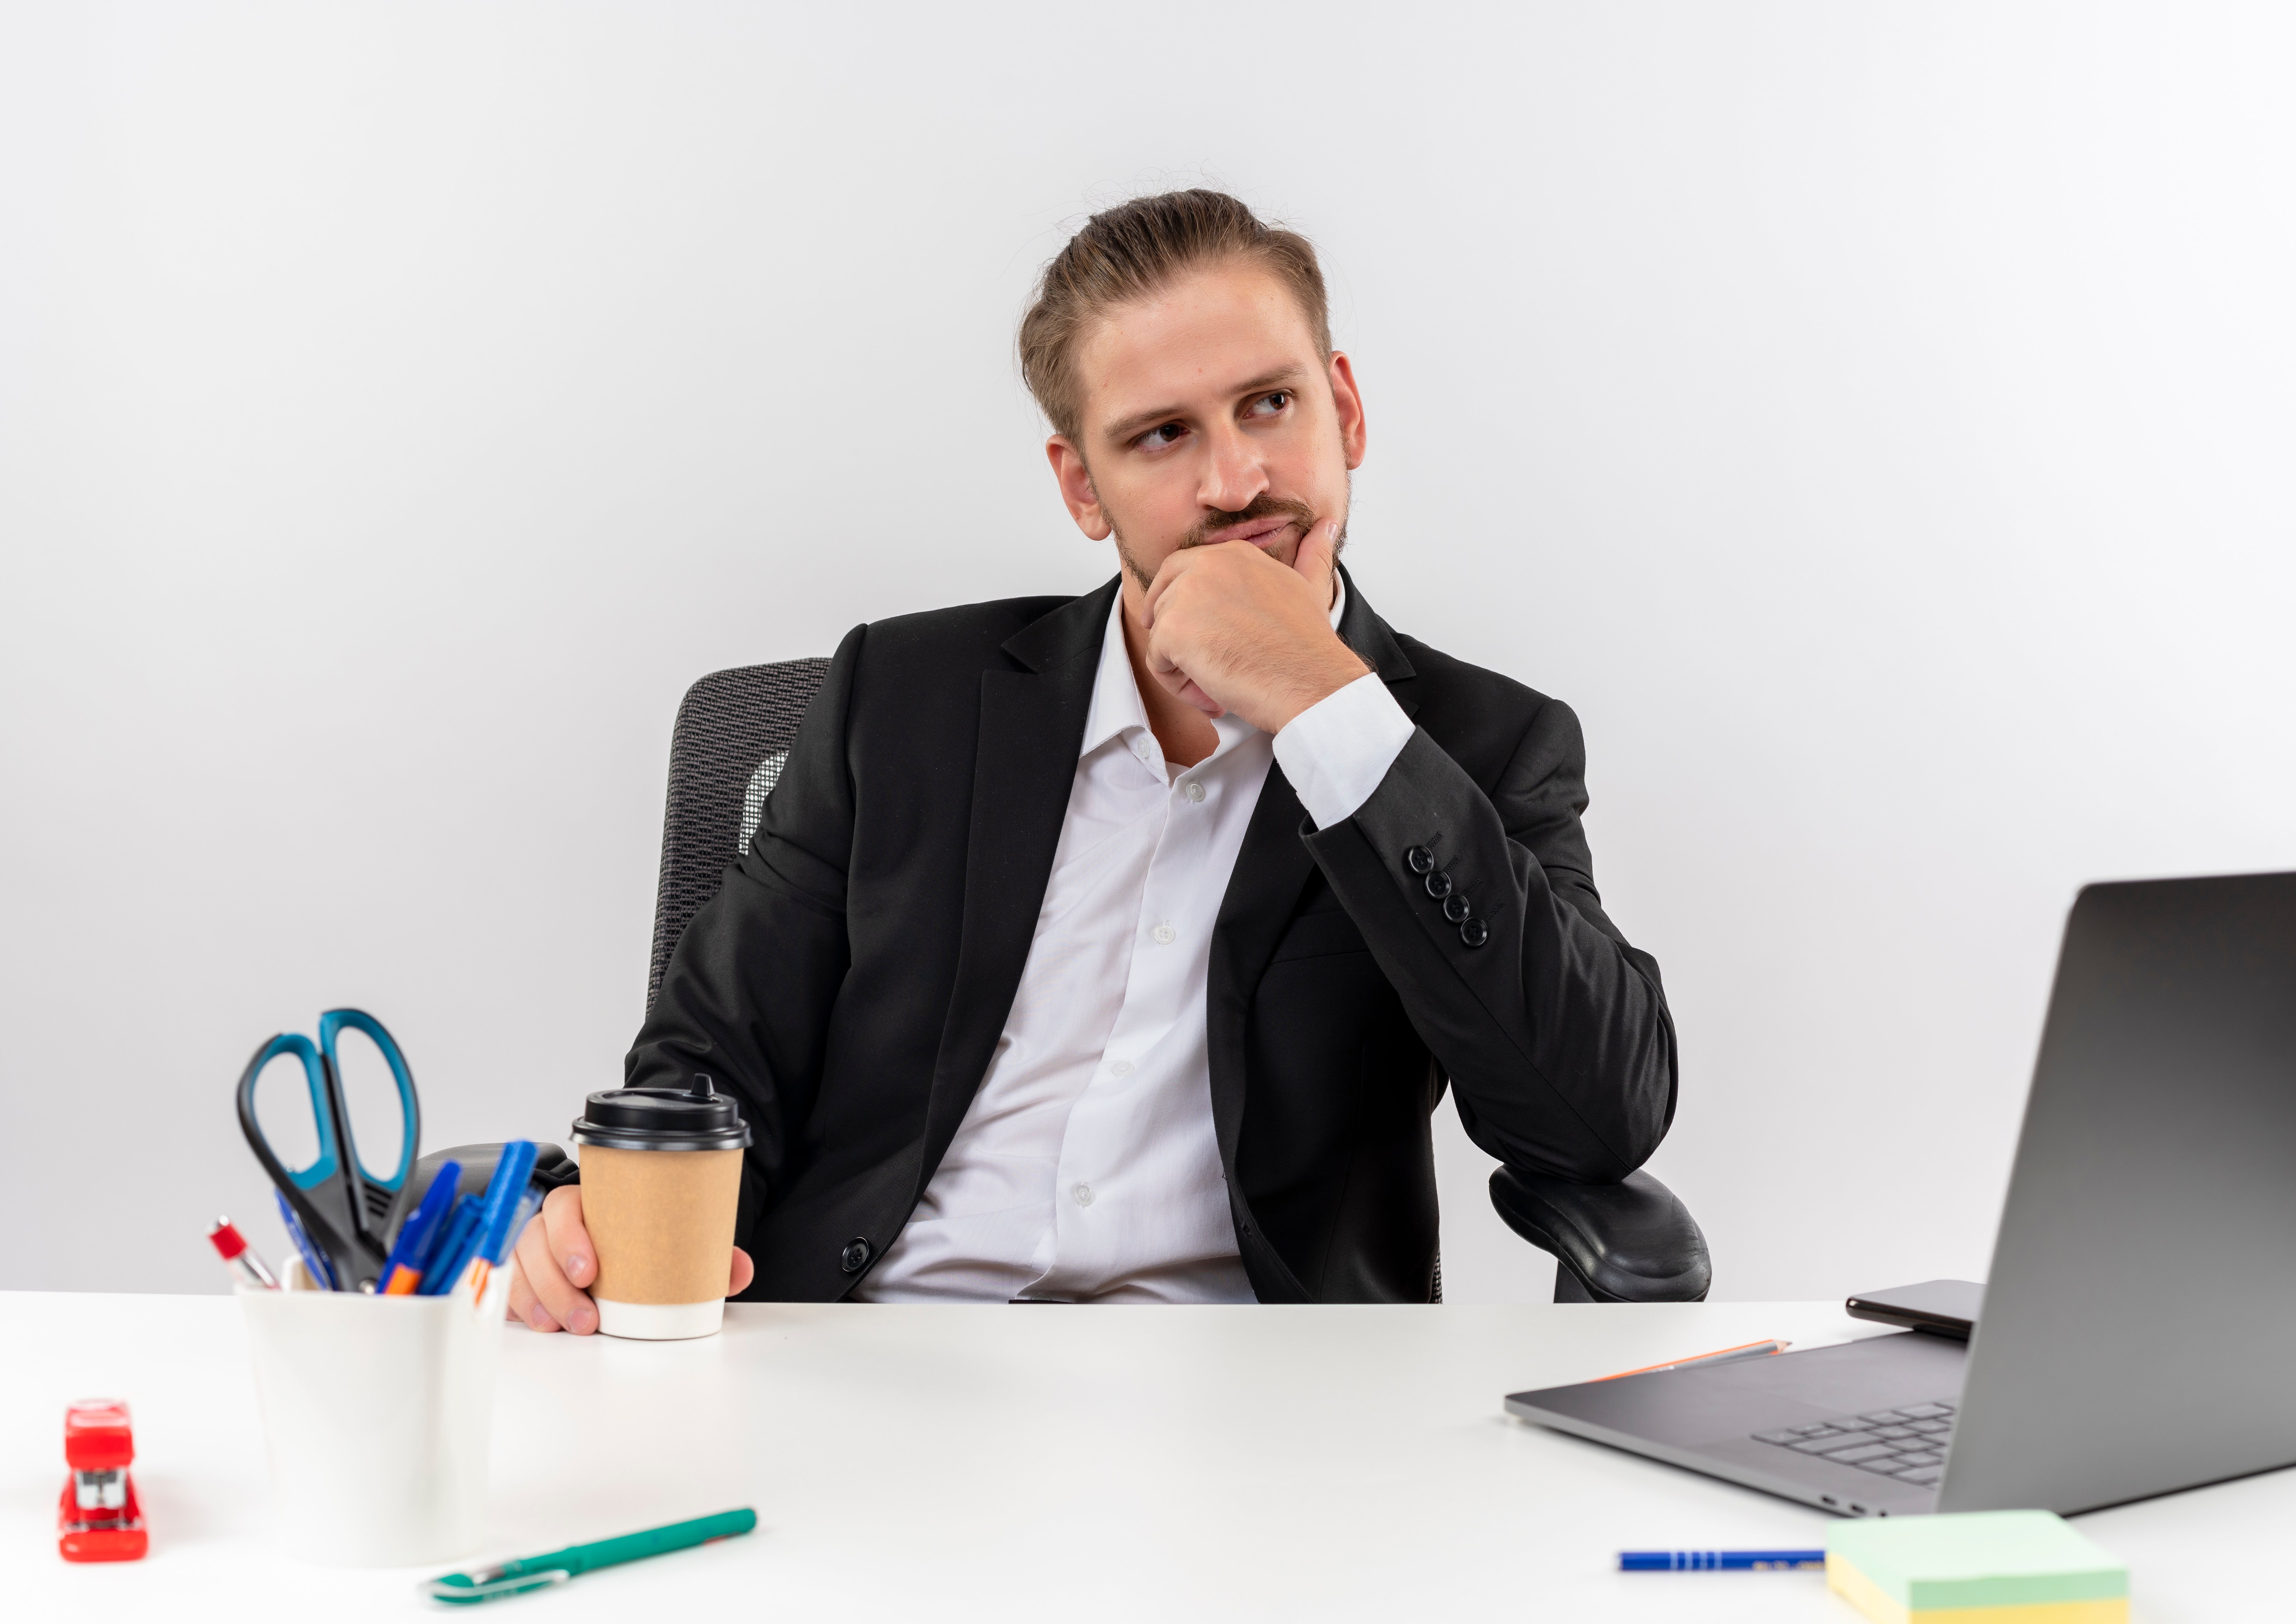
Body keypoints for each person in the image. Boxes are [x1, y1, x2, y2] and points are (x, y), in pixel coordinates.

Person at [509, 189, 1677, 1325]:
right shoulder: (901, 698)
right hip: (876, 1350)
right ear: (1082, 485)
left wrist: (1329, 709)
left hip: (1258, 1407)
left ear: (1345, 413)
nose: (1235, 484)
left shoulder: (1475, 745)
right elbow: (714, 1058)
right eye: (1162, 435)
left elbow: (1594, 1120)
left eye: (1269, 405)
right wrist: (579, 1214)